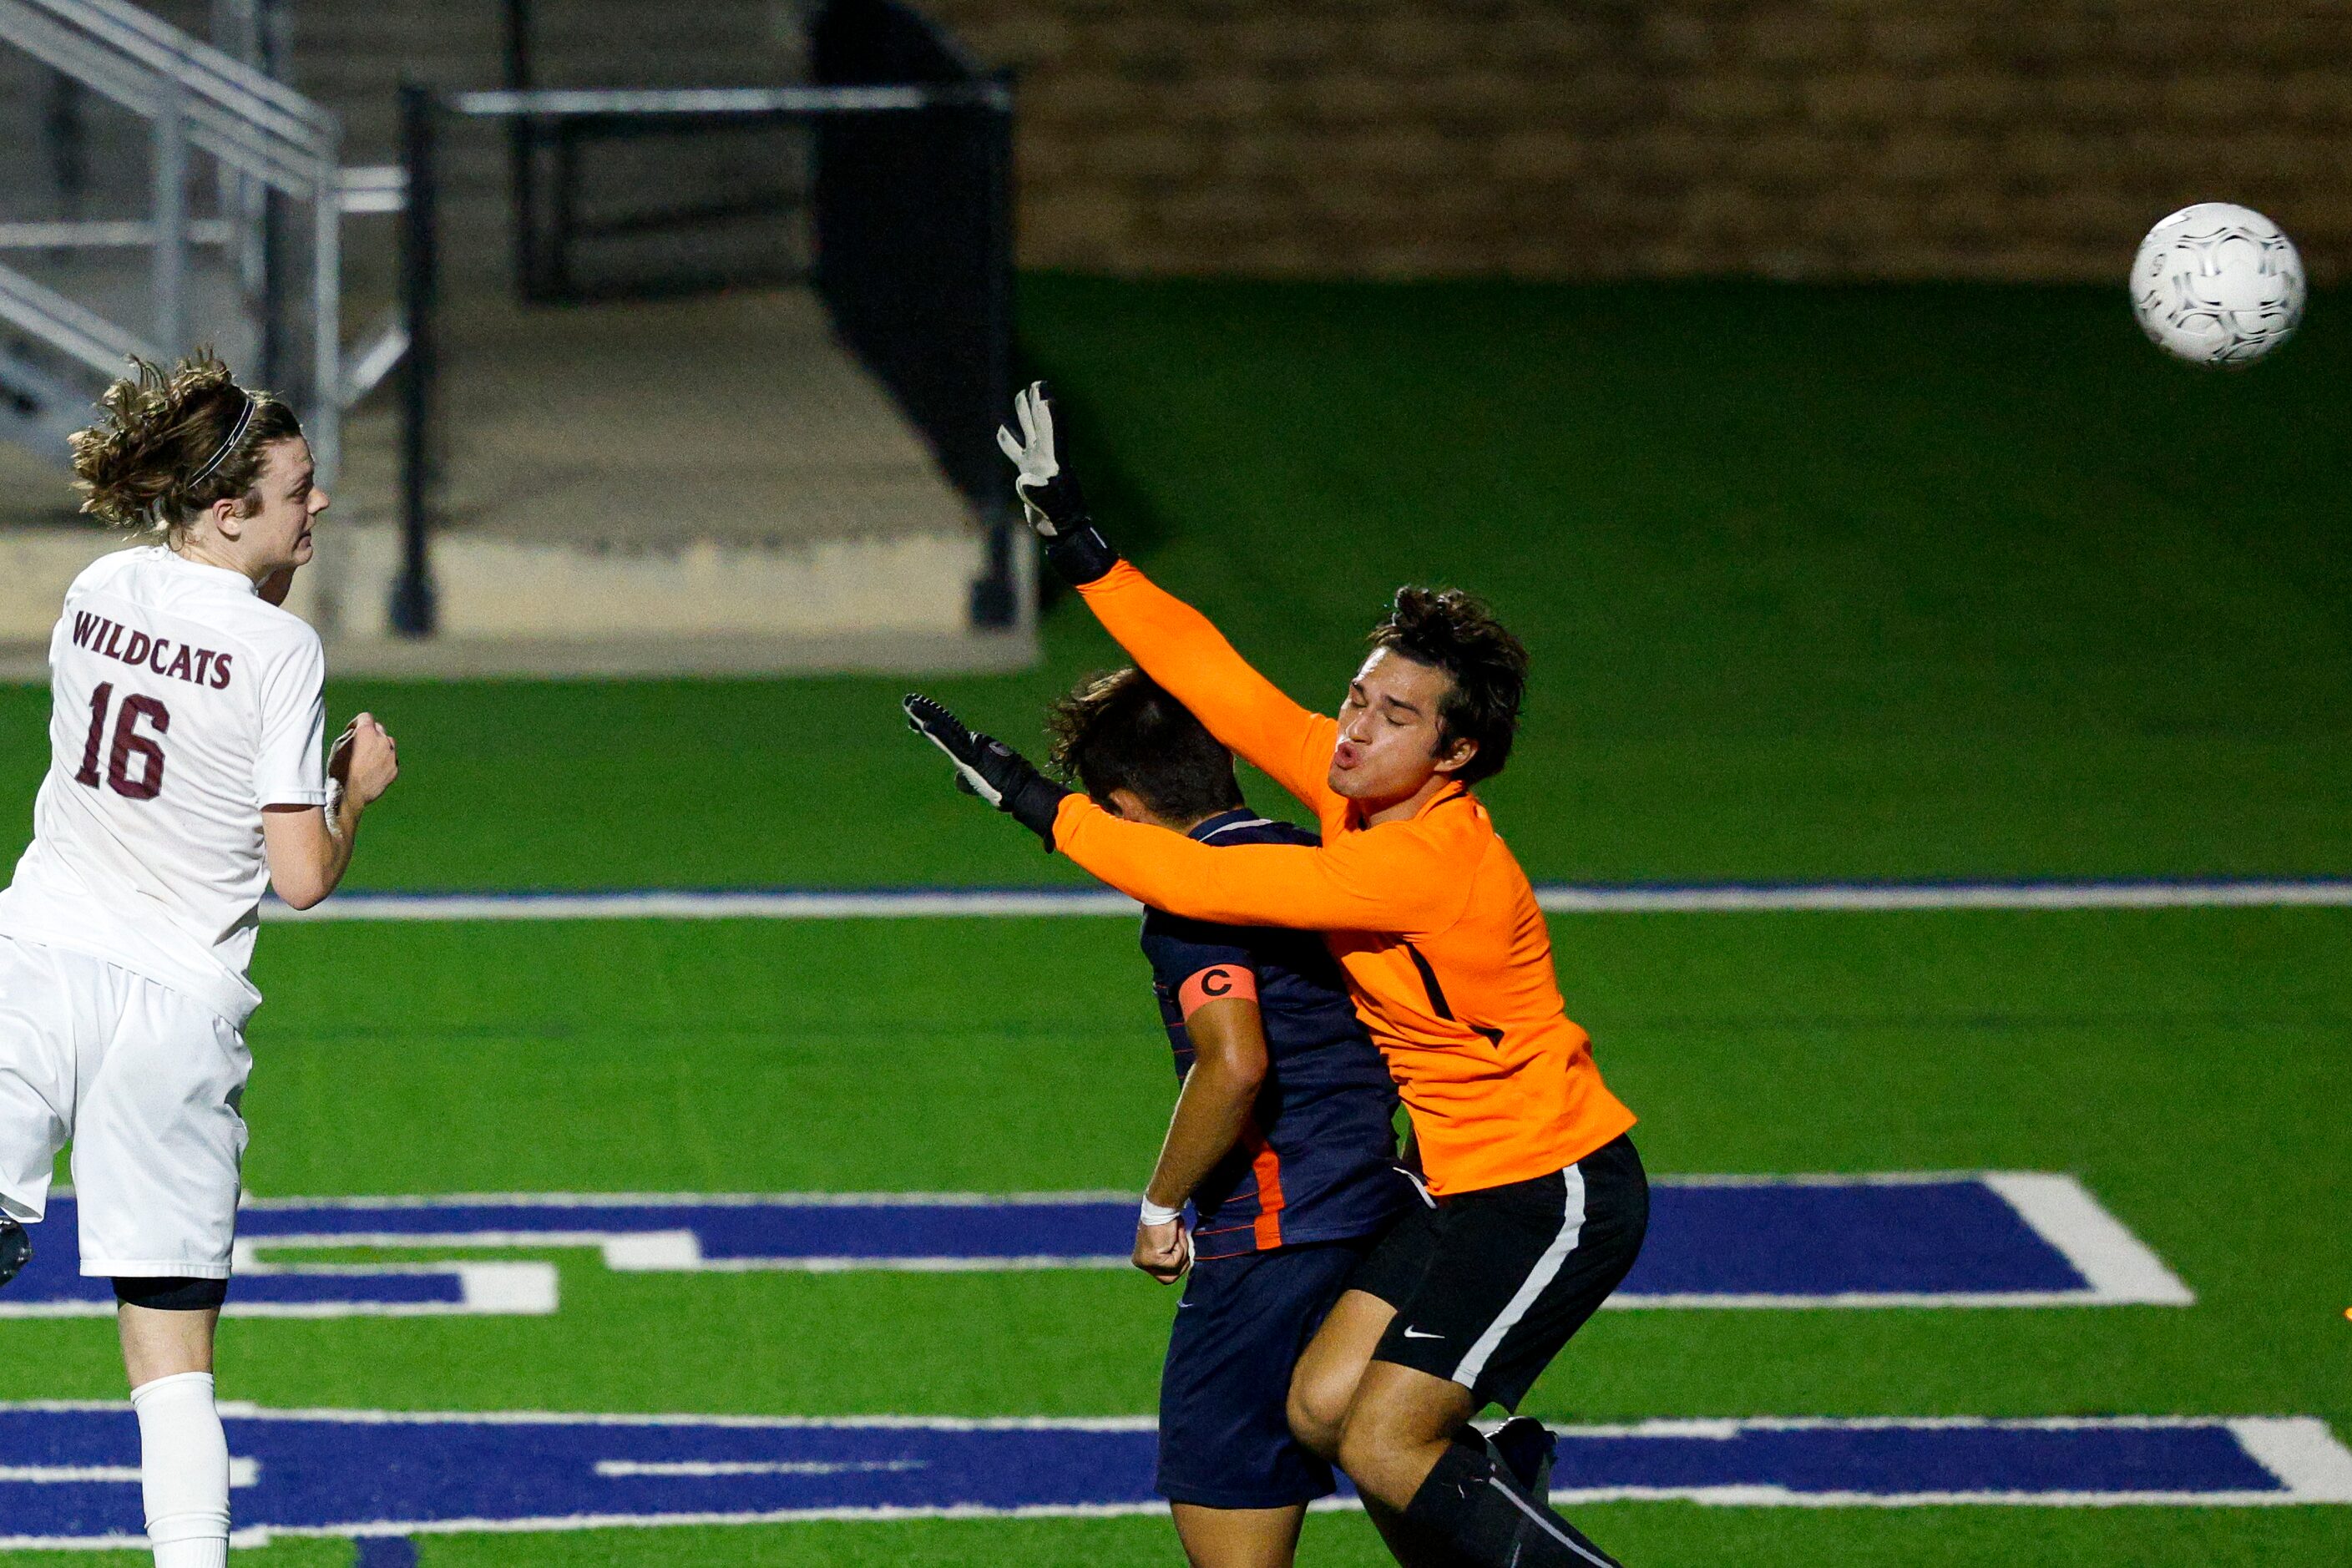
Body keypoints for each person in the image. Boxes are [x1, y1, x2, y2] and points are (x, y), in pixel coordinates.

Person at [903, 383, 1647, 1568]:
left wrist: (1040, 807)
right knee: (1321, 1409)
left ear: (1454, 753)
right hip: (1454, 1176)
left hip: (1545, 1184)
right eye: (1356, 695)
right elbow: (1219, 680)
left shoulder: (1424, 863)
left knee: (1390, 1442)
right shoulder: (1361, 793)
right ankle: (1503, 1500)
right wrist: (1084, 547)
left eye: (1392, 715)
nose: (1350, 727)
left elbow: (1209, 885)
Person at [0, 354, 399, 1568]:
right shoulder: (283, 652)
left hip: (36, 969)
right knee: (169, 1357)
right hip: (172, 1011)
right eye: (298, 489)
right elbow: (300, 878)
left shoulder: (98, 586)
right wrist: (355, 790)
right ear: (230, 510)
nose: (316, 507)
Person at [1044, 666, 1406, 1568]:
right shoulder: (1313, 856)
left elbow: (1236, 1062)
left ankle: (1481, 1491)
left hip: (1273, 1239)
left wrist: (1161, 1208)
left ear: (1124, 810)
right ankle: (1479, 1493)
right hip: (1387, 1212)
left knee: (1229, 1517)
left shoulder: (1193, 893)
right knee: (1374, 1441)